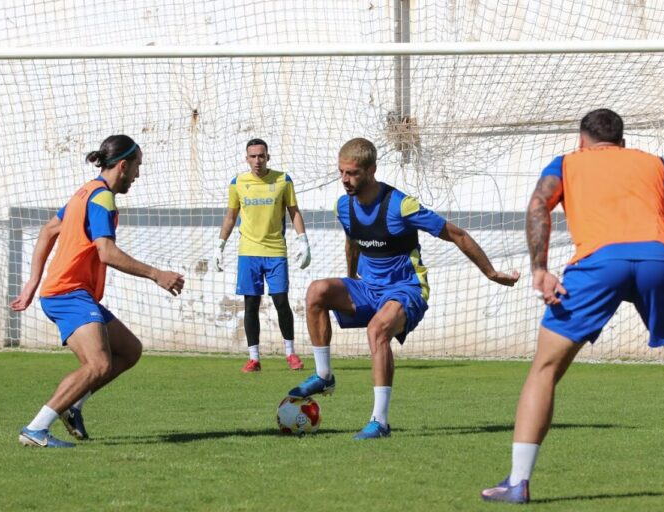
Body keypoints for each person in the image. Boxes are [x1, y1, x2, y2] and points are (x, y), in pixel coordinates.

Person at [480, 109, 664, 503]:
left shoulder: (567, 163)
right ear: (622, 142)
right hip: (658, 261)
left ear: (581, 140)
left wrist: (540, 269)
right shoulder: (656, 164)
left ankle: (518, 482)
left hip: (597, 264)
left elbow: (538, 205)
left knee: (545, 369)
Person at [287, 137, 520, 439]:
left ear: (371, 170)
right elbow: (352, 242)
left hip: (406, 289)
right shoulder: (343, 206)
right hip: (369, 287)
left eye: (352, 173)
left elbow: (457, 234)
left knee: (377, 330)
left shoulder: (401, 206)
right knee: (316, 291)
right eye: (341, 172)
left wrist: (491, 273)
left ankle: (380, 422)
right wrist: (350, 278)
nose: (345, 179)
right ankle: (323, 376)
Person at [11, 135, 185, 448]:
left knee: (129, 350)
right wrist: (156, 274)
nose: (138, 174)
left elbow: (48, 231)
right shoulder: (102, 198)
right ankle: (36, 429)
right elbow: (106, 252)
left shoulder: (84, 192)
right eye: (137, 166)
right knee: (98, 365)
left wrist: (32, 283)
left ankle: (73, 407)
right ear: (123, 165)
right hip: (68, 293)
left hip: (70, 292)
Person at [215, 138, 311, 372]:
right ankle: (254, 358)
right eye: (253, 156)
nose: (257, 160)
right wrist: (219, 245)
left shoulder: (283, 180)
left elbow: (294, 211)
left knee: (281, 301)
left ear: (268, 157)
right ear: (246, 159)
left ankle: (290, 353)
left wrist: (303, 241)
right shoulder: (237, 183)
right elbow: (230, 216)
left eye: (261, 156)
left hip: (276, 251)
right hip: (248, 252)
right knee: (251, 304)